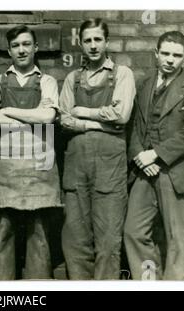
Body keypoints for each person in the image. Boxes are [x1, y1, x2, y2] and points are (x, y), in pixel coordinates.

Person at [124, 31, 184, 280]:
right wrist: (140, 155)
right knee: (133, 231)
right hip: (145, 171)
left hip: (175, 172)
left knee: (176, 240)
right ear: (156, 54)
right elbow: (136, 127)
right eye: (166, 53)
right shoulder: (145, 83)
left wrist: (156, 155)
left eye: (177, 55)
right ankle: (148, 282)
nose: (170, 60)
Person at [0, 25, 62, 280]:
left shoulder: (47, 81)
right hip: (4, 167)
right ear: (9, 51)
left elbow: (48, 116)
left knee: (38, 231)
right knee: (4, 229)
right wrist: (26, 121)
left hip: (38, 166)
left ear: (35, 48)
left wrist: (8, 111)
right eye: (16, 45)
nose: (22, 50)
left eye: (26, 44)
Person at [59, 18, 136, 279]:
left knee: (108, 241)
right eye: (88, 40)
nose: (93, 45)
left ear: (107, 41)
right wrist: (98, 126)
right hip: (77, 167)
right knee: (76, 241)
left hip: (109, 169)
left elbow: (121, 115)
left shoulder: (122, 74)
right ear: (80, 43)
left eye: (98, 39)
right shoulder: (73, 78)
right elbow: (65, 119)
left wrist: (84, 112)